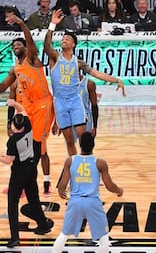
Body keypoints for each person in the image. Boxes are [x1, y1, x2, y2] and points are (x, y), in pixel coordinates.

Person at [0, 11, 55, 194]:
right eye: (14, 45)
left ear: (26, 48)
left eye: (19, 44)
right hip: (27, 107)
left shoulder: (32, 59)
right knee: (24, 145)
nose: (16, 47)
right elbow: (1, 88)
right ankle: (23, 186)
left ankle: (42, 184)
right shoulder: (15, 69)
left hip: (43, 105)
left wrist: (20, 22)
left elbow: (30, 41)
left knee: (38, 149)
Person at [42, 132, 123, 253]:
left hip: (75, 201)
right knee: (103, 236)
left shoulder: (70, 161)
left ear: (79, 145)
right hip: (92, 202)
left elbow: (62, 186)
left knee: (64, 234)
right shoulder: (100, 163)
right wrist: (119, 191)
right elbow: (109, 185)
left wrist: (61, 192)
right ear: (93, 145)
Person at [46, 9, 125, 156]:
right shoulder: (55, 57)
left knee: (83, 139)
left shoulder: (79, 62)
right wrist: (52, 25)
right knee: (69, 141)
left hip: (75, 101)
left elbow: (97, 74)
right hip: (60, 102)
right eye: (63, 38)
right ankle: (75, 165)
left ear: (74, 45)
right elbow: (46, 47)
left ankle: (87, 164)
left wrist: (116, 80)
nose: (64, 40)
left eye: (67, 39)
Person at [0, 100, 54, 247]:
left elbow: (9, 160)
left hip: (19, 172)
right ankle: (43, 225)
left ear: (13, 125)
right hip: (31, 169)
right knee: (33, 198)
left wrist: (0, 158)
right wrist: (13, 103)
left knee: (12, 203)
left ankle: (15, 237)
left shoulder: (12, 141)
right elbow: (22, 109)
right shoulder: (28, 127)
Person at [8, 80, 53, 195]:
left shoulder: (35, 82)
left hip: (37, 117)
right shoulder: (15, 84)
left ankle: (46, 183)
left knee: (42, 152)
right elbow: (11, 104)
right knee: (20, 155)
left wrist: (55, 120)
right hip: (23, 122)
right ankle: (22, 184)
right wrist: (9, 124)